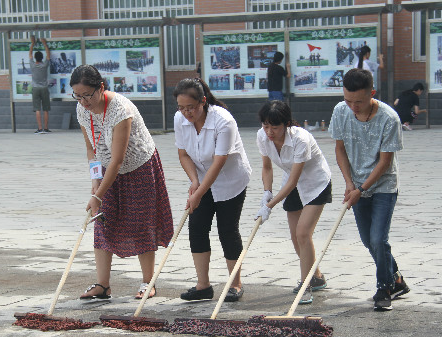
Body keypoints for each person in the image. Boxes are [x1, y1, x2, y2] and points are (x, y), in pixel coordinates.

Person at [71, 65, 174, 300]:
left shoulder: (121, 110)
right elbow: (91, 148)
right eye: (78, 95)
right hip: (107, 170)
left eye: (88, 95)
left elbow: (118, 160)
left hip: (138, 167)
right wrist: (95, 179)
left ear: (101, 88)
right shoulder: (82, 110)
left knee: (141, 223)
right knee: (102, 221)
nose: (84, 101)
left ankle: (148, 282)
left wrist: (97, 196)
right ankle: (102, 285)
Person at [329, 68, 410, 311]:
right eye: (348, 100)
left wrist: (362, 187)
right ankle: (396, 279)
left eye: (359, 101)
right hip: (356, 186)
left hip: (383, 185)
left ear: (372, 93)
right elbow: (340, 149)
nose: (353, 106)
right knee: (368, 240)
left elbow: (385, 162)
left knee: (378, 238)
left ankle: (384, 288)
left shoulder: (389, 118)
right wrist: (349, 184)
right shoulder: (340, 111)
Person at [173, 78, 252, 302]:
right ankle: (203, 286)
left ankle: (235, 284)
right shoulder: (180, 119)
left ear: (203, 102)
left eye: (191, 107)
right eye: (181, 107)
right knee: (196, 226)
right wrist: (194, 182)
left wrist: (199, 193)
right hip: (201, 177)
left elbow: (219, 162)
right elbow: (183, 154)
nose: (186, 112)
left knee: (227, 229)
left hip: (230, 179)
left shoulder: (223, 121)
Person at [255, 100, 332, 305]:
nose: (269, 132)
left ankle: (305, 286)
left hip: (316, 183)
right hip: (291, 184)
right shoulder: (262, 136)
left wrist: (268, 206)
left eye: (275, 127)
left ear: (287, 124)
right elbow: (267, 167)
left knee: (303, 233)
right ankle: (315, 277)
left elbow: (293, 181)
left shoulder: (301, 139)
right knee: (295, 236)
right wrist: (267, 192)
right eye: (265, 125)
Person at [29, 36, 51, 134]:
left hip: (35, 88)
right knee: (46, 108)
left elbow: (30, 54)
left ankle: (39, 128)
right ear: (42, 58)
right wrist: (44, 43)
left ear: (35, 58)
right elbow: (48, 55)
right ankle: (46, 128)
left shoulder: (33, 65)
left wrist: (33, 43)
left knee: (37, 109)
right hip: (44, 88)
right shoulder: (45, 65)